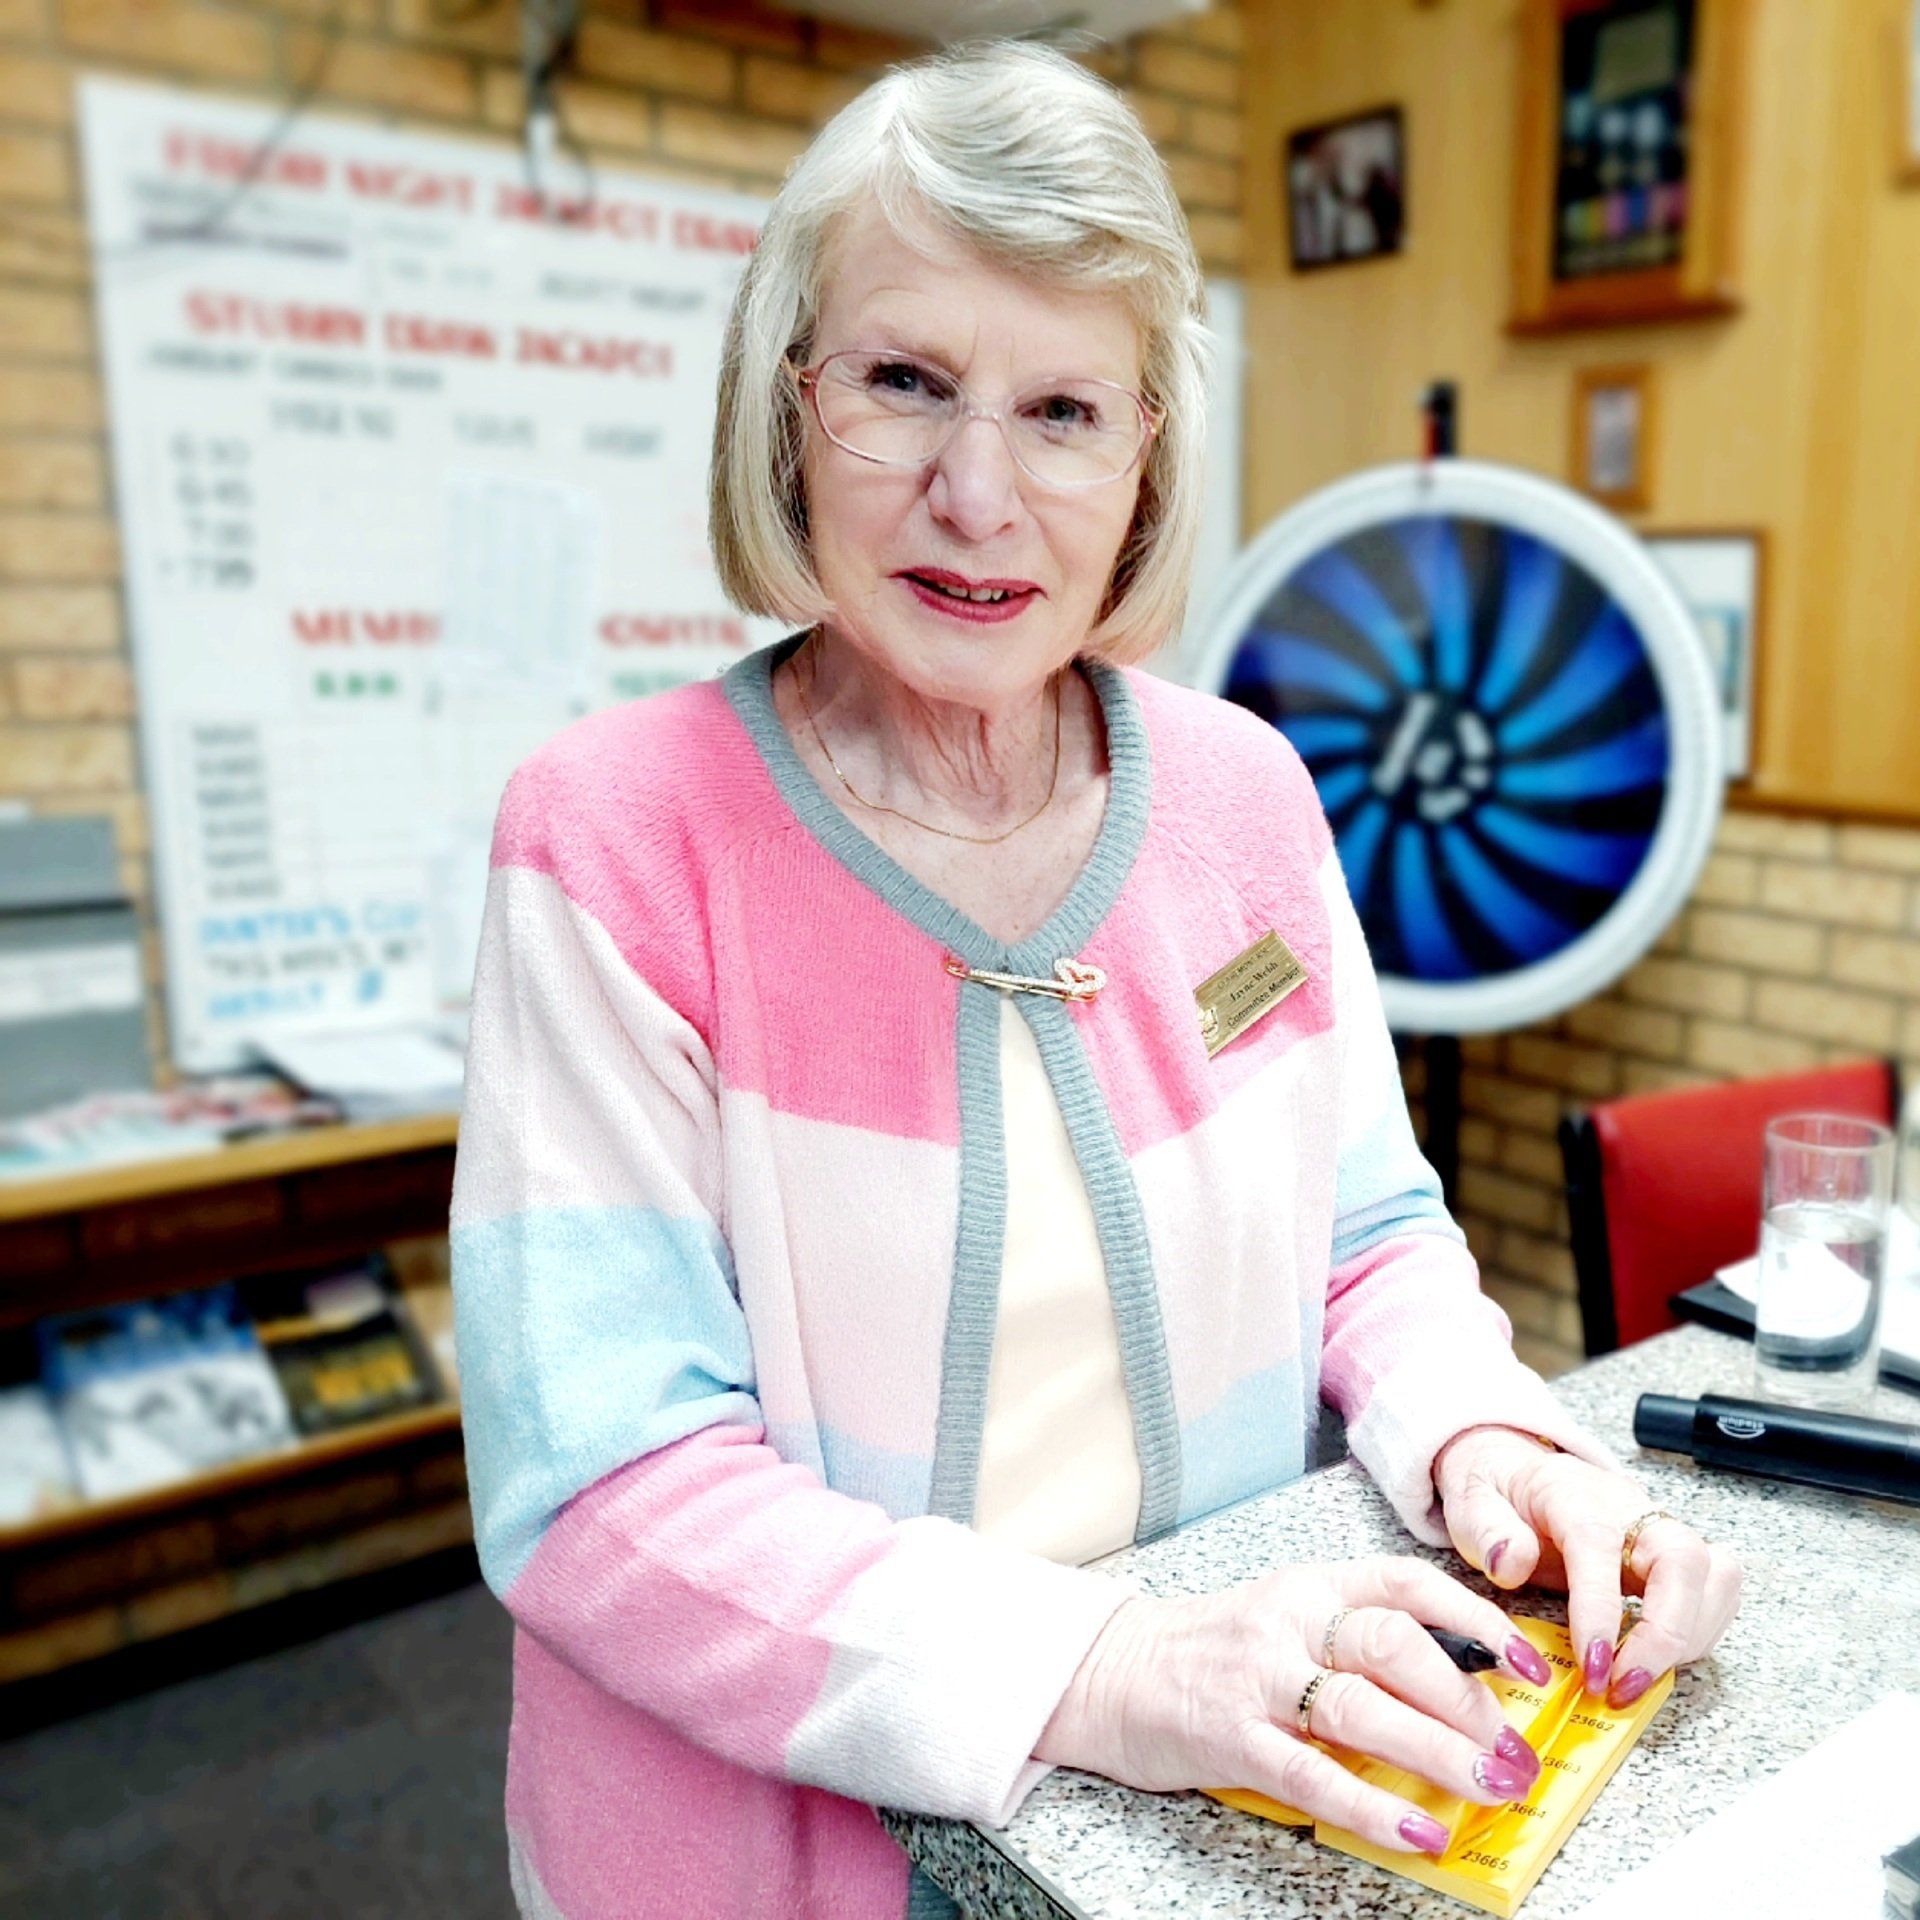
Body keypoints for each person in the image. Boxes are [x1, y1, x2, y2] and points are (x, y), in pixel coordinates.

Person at [449, 40, 1741, 1920]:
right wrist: (1106, 1668)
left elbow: (1366, 1238)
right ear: (785, 403)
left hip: (1200, 1808)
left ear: (1145, 457)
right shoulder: (613, 843)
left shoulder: (1245, 797)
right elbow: (606, 1486)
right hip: (775, 1864)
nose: (979, 493)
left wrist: (1487, 1435)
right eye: (904, 383)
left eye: (1063, 409)